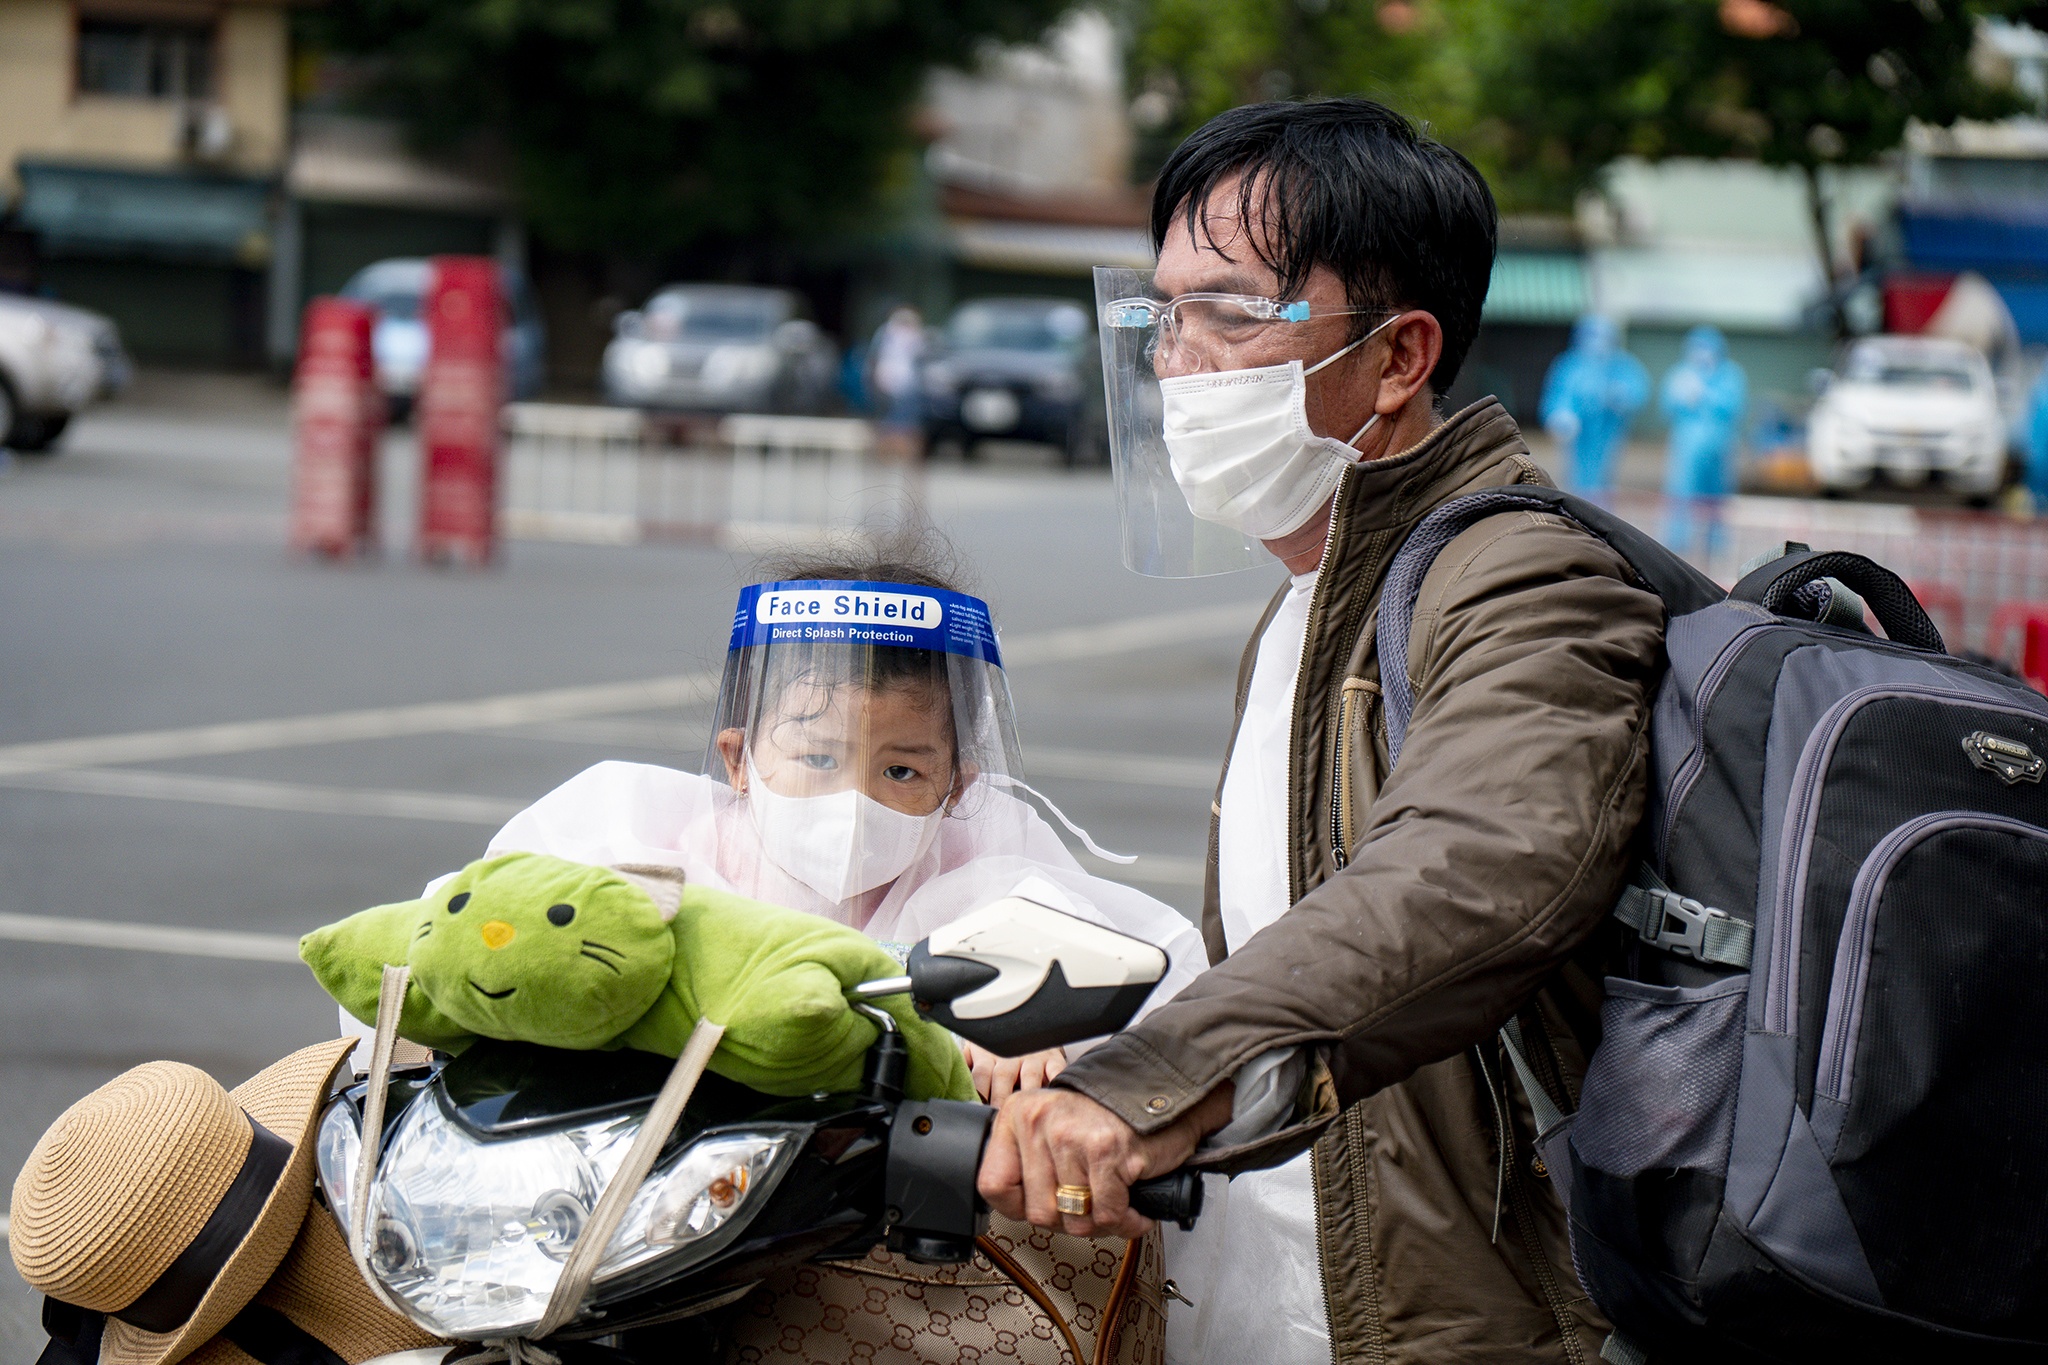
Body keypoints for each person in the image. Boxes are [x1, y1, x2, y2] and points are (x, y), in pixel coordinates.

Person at [982, 99, 1665, 1363]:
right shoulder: (1315, 596)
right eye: (1161, 312)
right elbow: (1285, 940)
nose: (1175, 359)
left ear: (1400, 357)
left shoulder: (1519, 580)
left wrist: (1156, 1078)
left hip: (1454, 1320)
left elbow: (1471, 869)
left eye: (1231, 311)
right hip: (1283, 1292)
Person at [481, 535, 1205, 1103]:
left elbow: (1083, 962)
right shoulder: (649, 840)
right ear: (738, 760)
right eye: (817, 758)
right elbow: (522, 929)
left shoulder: (985, 873)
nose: (855, 801)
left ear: (957, 786)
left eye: (901, 770)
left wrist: (1031, 1038)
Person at [1658, 324, 1747, 556]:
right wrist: (1681, 397)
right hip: (1687, 449)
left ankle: (1715, 547)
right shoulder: (1681, 374)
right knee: (1682, 494)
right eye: (1698, 348)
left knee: (1716, 499)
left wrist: (1706, 395)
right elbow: (1666, 405)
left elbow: (1735, 407)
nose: (1703, 353)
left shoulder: (1730, 374)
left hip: (1720, 448)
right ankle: (1677, 545)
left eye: (1707, 348)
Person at [1541, 314, 1649, 500]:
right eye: (1592, 337)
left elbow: (1638, 391)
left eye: (1603, 338)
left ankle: (1600, 515)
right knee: (1576, 479)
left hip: (1608, 433)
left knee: (1604, 478)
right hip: (1578, 434)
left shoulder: (1622, 366)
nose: (1597, 344)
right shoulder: (1570, 365)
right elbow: (1558, 395)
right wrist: (1560, 415)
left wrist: (1621, 397)